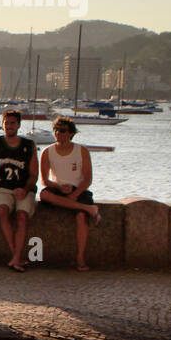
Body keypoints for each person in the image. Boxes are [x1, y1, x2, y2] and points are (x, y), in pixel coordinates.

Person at [39, 116, 101, 271]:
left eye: (63, 131)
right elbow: (44, 180)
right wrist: (59, 188)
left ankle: (80, 257)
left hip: (78, 189)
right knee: (44, 194)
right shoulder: (47, 152)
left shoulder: (82, 151)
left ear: (71, 134)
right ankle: (90, 209)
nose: (59, 134)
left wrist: (75, 194)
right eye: (56, 130)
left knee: (81, 217)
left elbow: (87, 179)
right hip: (58, 188)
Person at [0, 108, 38, 272]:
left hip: (24, 188)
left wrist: (25, 189)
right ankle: (16, 255)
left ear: (19, 125)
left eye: (13, 123)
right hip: (3, 188)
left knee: (21, 217)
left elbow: (34, 175)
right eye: (6, 123)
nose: (9, 126)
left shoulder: (29, 145)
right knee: (2, 211)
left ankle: (16, 257)